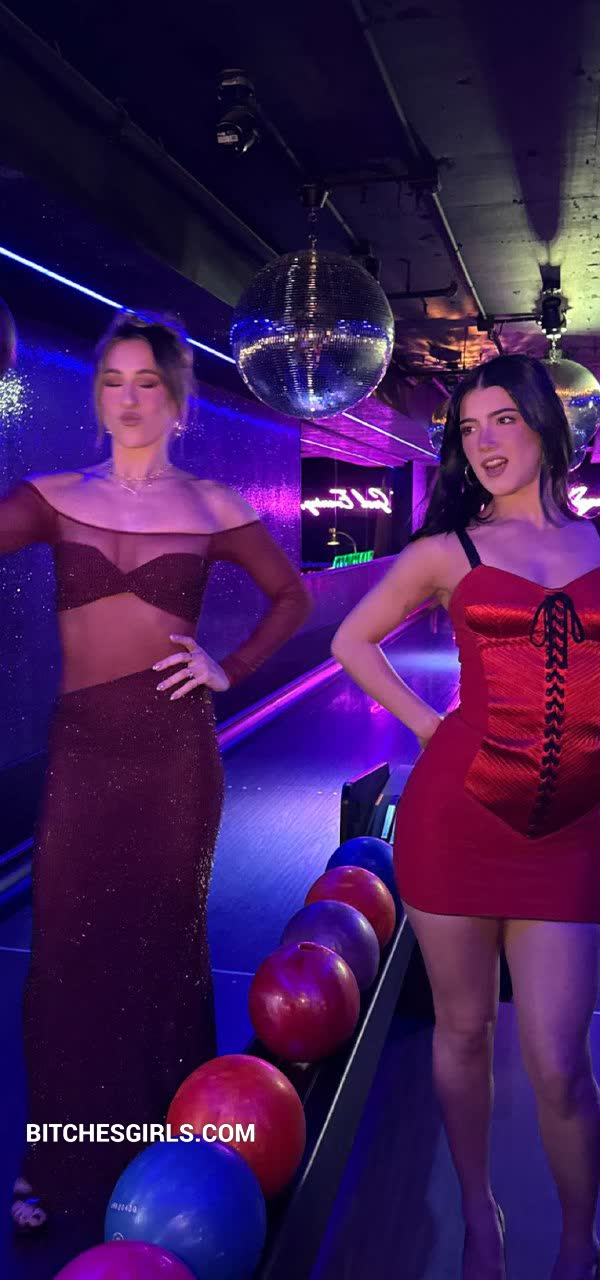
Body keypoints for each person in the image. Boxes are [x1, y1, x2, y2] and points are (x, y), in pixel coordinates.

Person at [331, 267, 600, 1280]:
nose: (487, 441)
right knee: (461, 1032)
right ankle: (478, 1213)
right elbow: (351, 641)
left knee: (558, 1063)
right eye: (470, 429)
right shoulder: (446, 550)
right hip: (454, 817)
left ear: (546, 423)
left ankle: (580, 1247)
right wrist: (430, 725)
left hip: (567, 830)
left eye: (504, 418)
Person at [0, 311, 312, 1231]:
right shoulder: (51, 496)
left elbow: (291, 596)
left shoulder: (214, 505)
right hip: (83, 751)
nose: (129, 399)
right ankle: (59, 1160)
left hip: (175, 758)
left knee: (164, 948)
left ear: (178, 401)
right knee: (65, 951)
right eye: (113, 381)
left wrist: (231, 668)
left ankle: (168, 1155)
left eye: (147, 383)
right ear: (97, 396)